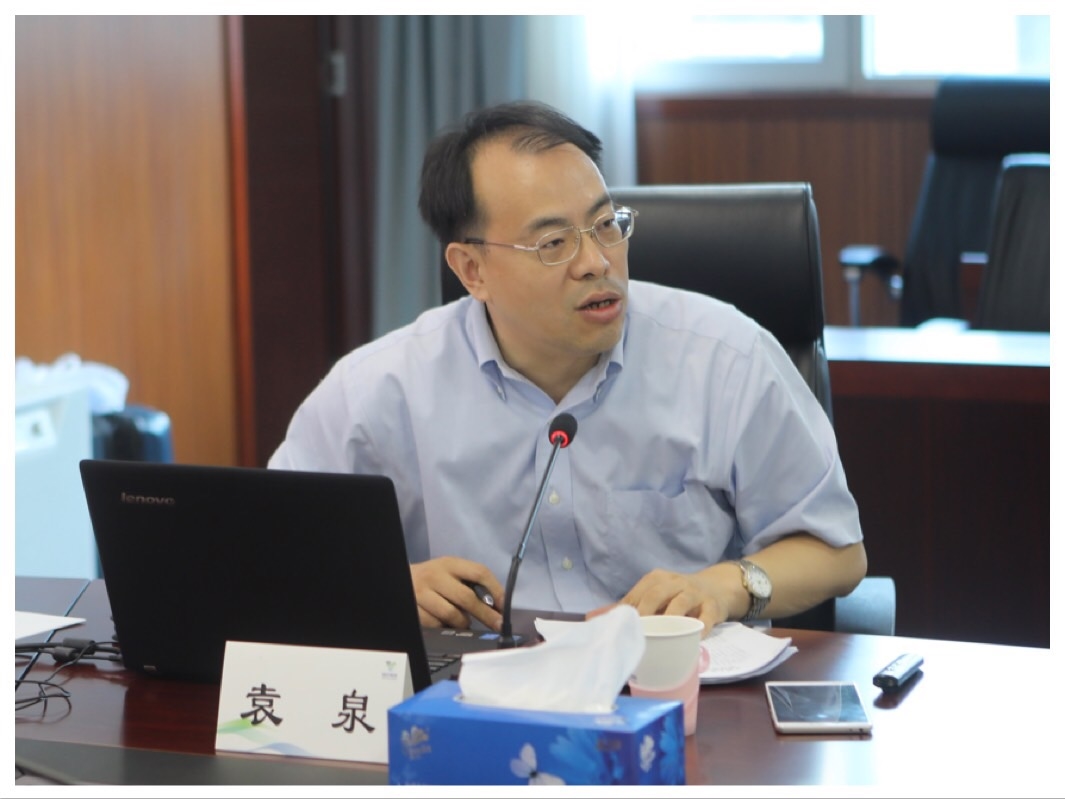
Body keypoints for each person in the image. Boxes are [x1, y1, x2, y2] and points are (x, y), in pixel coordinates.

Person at [269, 100, 867, 634]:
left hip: (680, 687)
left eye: (606, 225)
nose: (596, 262)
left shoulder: (723, 357)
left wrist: (723, 587)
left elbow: (837, 550)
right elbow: (273, 548)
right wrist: (386, 583)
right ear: (472, 270)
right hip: (474, 694)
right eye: (553, 243)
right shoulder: (376, 389)